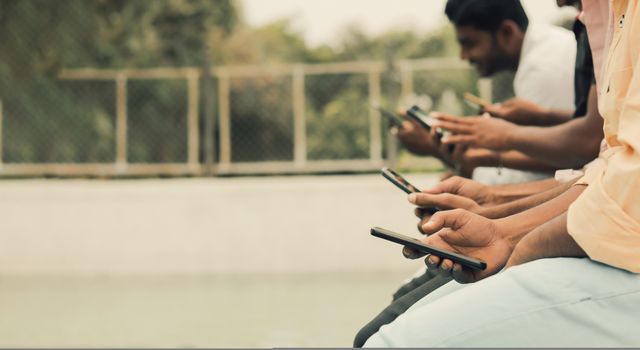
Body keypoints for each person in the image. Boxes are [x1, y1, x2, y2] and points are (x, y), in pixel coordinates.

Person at [364, 0, 640, 346]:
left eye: (468, 43)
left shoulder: (561, 49)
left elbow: (598, 159)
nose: (556, 2)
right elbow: (608, 167)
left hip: (624, 257)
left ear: (506, 32)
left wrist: (512, 237)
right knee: (383, 330)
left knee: (385, 340)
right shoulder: (610, 13)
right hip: (607, 243)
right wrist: (498, 221)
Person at [395, 0, 577, 185]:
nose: (464, 56)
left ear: (507, 32)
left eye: (470, 44)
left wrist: (441, 152)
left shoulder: (542, 69)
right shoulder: (546, 47)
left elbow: (556, 166)